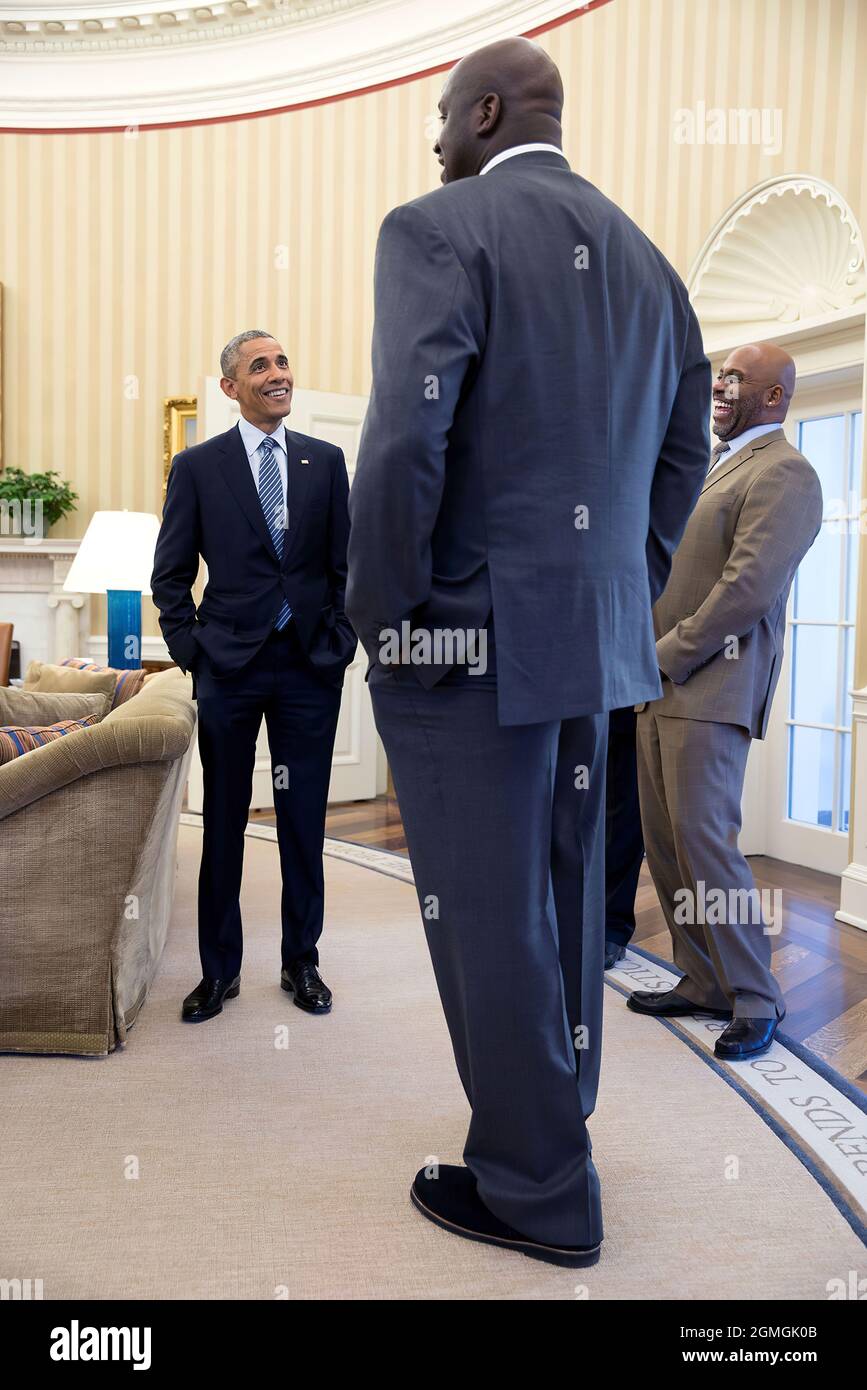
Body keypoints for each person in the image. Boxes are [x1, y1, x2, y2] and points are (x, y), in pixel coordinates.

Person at [346, 36, 710, 1266]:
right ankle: (559, 1120)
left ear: (488, 110)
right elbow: (681, 459)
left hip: (465, 648)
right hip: (587, 645)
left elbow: (404, 446)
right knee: (558, 905)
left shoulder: (440, 227)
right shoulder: (654, 266)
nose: (436, 138)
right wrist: (620, 587)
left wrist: (392, 615)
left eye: (444, 116)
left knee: (490, 917)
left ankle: (539, 1189)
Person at [151, 331, 356, 1024]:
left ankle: (302, 961)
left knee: (302, 822)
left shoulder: (324, 461)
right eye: (259, 366)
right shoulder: (199, 467)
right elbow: (170, 576)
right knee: (225, 823)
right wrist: (193, 651)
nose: (278, 374)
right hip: (229, 670)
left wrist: (340, 639)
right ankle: (219, 972)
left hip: (307, 667)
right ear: (230, 388)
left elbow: (341, 569)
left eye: (282, 362)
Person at [628, 343, 823, 1059]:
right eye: (719, 376)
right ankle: (701, 979)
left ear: (773, 397)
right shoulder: (714, 464)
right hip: (657, 683)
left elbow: (745, 590)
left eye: (735, 379)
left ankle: (753, 995)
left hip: (711, 683)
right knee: (667, 844)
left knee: (707, 846)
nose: (719, 387)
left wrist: (666, 654)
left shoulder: (786, 474)